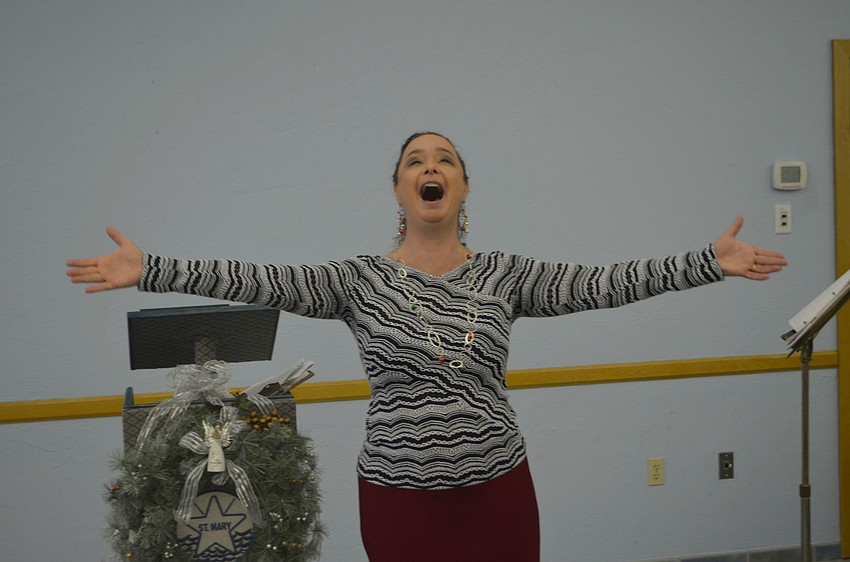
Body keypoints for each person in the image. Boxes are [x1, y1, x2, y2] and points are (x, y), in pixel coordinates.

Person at [67, 132, 787, 562]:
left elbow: (605, 283)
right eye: (415, 159)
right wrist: (151, 267)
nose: (429, 166)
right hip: (399, 499)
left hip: (500, 492)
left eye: (444, 159)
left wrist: (706, 261)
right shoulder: (358, 281)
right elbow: (261, 278)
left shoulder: (507, 274)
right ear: (400, 188)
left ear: (463, 187)